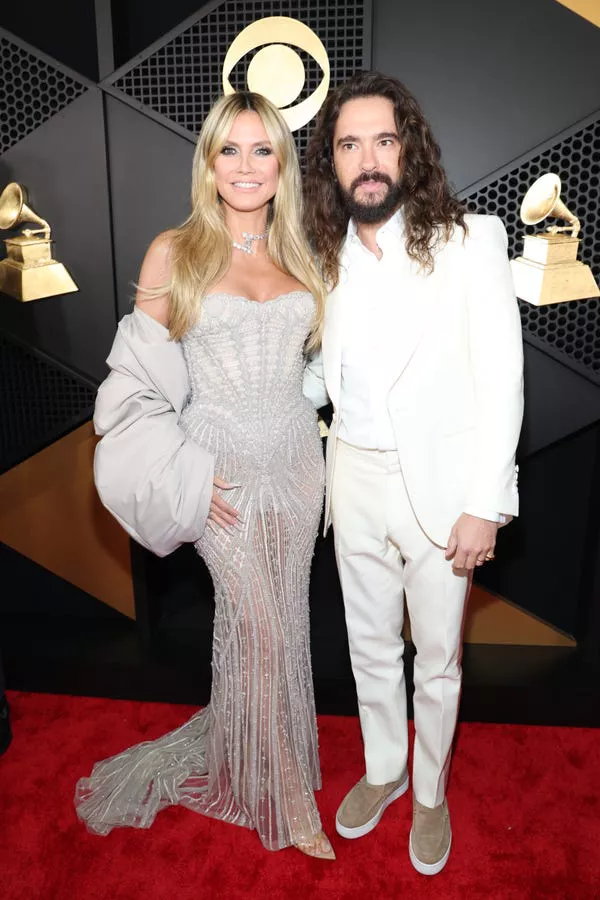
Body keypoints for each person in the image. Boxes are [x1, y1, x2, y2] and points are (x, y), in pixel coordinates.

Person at [75, 91, 335, 860]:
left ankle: (263, 746)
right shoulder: (174, 252)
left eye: (263, 150)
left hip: (295, 465)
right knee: (254, 622)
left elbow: (315, 371)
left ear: (282, 164)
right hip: (216, 471)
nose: (247, 166)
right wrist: (185, 476)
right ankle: (285, 795)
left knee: (284, 620)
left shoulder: (305, 254)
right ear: (209, 160)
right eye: (231, 149)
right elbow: (133, 390)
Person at [302, 71, 524, 875]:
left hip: (438, 488)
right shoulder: (322, 254)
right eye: (348, 144)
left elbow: (502, 380)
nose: (367, 160)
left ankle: (429, 793)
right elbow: (320, 373)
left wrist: (484, 505)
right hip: (350, 476)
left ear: (410, 151)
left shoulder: (473, 243)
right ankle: (385, 769)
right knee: (367, 644)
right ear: (330, 162)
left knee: (436, 657)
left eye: (383, 141)